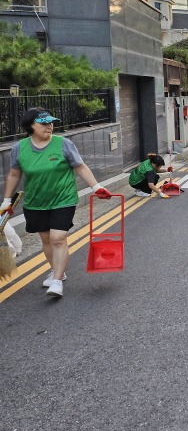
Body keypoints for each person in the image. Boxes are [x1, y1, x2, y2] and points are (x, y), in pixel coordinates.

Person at [0, 108, 111, 298]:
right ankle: (57, 270)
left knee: (58, 238)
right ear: (31, 126)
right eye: (44, 123)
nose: (49, 126)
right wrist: (7, 201)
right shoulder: (20, 148)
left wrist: (96, 187)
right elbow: (14, 174)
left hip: (63, 199)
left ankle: (57, 281)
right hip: (35, 202)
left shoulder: (63, 144)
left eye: (51, 122)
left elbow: (80, 166)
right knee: (45, 239)